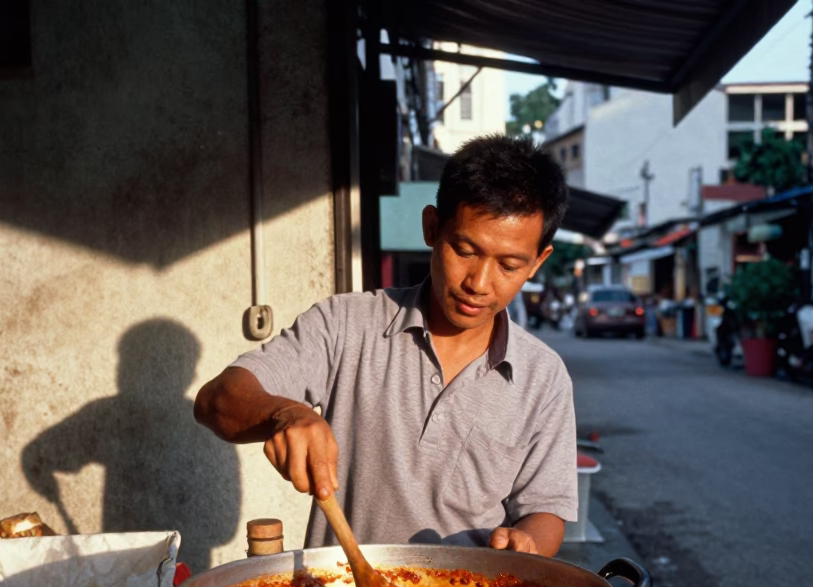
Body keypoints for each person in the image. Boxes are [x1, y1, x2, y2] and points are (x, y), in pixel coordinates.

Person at [194, 135, 577, 556]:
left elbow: (545, 509)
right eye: (465, 250)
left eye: (508, 265)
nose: (479, 284)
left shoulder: (543, 377)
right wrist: (285, 413)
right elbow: (215, 401)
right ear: (432, 227)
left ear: (538, 262)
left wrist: (527, 544)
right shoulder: (346, 325)